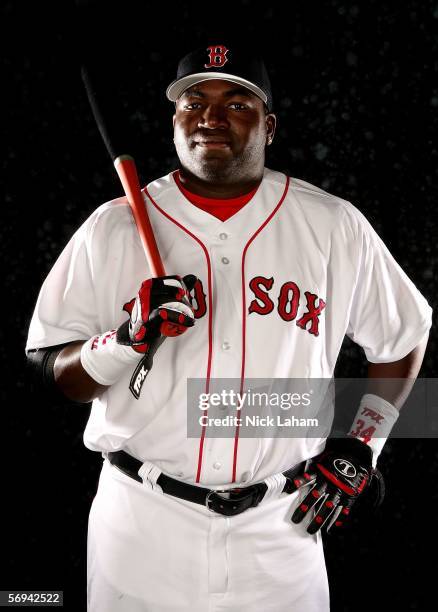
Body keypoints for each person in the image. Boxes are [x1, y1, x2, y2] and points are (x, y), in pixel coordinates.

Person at [26, 43, 432, 611]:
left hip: (282, 530)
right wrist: (126, 340)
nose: (211, 117)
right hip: (141, 525)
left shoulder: (333, 225)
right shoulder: (111, 228)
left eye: (237, 103)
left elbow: (406, 336)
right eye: (194, 102)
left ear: (269, 126)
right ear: (174, 121)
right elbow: (52, 372)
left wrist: (363, 445)